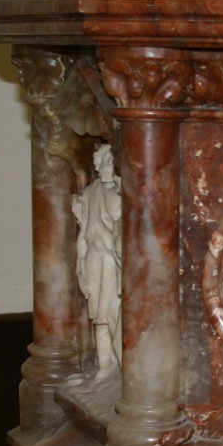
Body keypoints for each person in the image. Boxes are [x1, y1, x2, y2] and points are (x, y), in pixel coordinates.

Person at [72, 144, 123, 378]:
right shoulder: (90, 193)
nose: (107, 167)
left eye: (112, 163)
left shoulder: (122, 193)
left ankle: (123, 368)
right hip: (95, 258)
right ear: (98, 165)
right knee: (99, 317)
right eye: (104, 162)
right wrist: (79, 267)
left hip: (114, 261)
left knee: (113, 315)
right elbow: (83, 235)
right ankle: (104, 368)